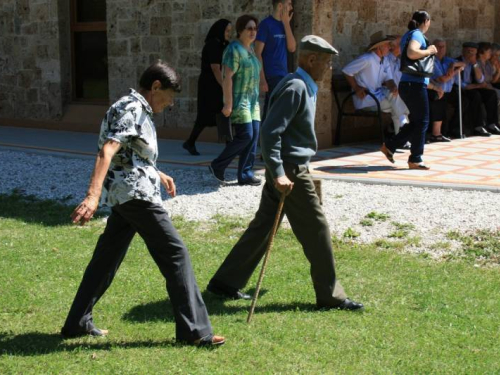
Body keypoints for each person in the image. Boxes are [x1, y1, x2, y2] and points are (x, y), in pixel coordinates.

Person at [61, 61, 224, 347]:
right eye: (170, 96)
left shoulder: (133, 108)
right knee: (176, 253)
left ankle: (77, 321)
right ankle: (195, 331)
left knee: (106, 258)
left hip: (128, 195)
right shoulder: (133, 108)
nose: (171, 103)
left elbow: (131, 154)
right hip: (136, 197)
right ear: (156, 87)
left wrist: (157, 172)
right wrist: (92, 195)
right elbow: (108, 150)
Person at [206, 35, 364, 312]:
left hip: (290, 167)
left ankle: (224, 283)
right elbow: (269, 132)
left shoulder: (303, 85)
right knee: (317, 230)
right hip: (290, 171)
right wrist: (279, 172)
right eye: (326, 63)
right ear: (311, 59)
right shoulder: (296, 87)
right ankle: (331, 296)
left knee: (263, 227)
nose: (329, 69)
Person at [209, 15, 262, 186]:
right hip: (239, 101)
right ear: (240, 30)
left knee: (253, 137)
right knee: (245, 135)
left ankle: (245, 174)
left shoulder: (251, 49)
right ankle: (218, 165)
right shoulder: (233, 50)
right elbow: (227, 78)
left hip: (253, 102)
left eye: (255, 28)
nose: (253, 31)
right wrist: (228, 103)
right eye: (249, 28)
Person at [380, 10, 436, 170]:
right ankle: (415, 159)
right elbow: (412, 53)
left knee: (418, 121)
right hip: (414, 84)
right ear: (426, 21)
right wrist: (430, 51)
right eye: (429, 21)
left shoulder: (408, 34)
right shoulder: (417, 34)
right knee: (423, 121)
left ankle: (390, 146)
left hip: (408, 84)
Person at [342, 31, 409, 135]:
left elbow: (389, 79)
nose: (390, 48)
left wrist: (393, 87)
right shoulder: (367, 59)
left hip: (378, 96)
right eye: (387, 45)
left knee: (396, 102)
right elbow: (347, 70)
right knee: (398, 107)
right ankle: (403, 132)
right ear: (379, 47)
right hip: (366, 98)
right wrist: (356, 87)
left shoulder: (384, 60)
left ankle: (402, 136)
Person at [183, 19, 232, 156]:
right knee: (208, 115)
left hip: (215, 84)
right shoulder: (213, 45)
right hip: (210, 85)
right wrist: (224, 86)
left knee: (222, 113)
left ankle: (191, 142)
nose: (229, 34)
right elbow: (215, 68)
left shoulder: (222, 44)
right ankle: (191, 142)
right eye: (227, 31)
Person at [255, 0, 296, 120]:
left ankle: (264, 137)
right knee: (274, 112)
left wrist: (286, 24)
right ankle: (264, 136)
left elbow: (292, 48)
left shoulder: (285, 25)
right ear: (280, 6)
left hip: (283, 75)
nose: (291, 7)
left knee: (274, 111)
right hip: (272, 76)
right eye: (288, 4)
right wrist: (262, 79)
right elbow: (257, 53)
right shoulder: (265, 25)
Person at [456, 42, 500, 135]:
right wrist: (475, 86)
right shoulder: (457, 61)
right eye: (469, 52)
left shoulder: (475, 63)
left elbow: (480, 80)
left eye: (474, 53)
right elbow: (460, 84)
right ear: (463, 51)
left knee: (491, 94)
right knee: (476, 95)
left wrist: (475, 65)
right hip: (461, 89)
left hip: (473, 87)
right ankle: (478, 126)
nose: (471, 55)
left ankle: (492, 124)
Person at [427, 38, 465, 142]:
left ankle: (455, 129)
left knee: (464, 101)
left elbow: (463, 64)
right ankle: (437, 133)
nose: (441, 49)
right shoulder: (431, 61)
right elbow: (442, 79)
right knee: (439, 100)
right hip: (435, 90)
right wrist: (456, 71)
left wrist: (453, 65)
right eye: (438, 46)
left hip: (449, 91)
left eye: (443, 46)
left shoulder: (449, 60)